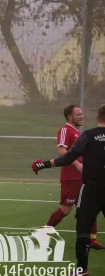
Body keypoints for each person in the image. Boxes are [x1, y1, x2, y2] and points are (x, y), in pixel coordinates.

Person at [31, 103, 105, 276]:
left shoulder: (88, 135)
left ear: (97, 118)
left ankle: (82, 270)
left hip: (92, 190)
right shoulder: (74, 131)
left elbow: (68, 157)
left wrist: (44, 164)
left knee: (82, 229)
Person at [45, 105, 103, 250]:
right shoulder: (65, 129)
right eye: (78, 114)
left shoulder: (79, 132)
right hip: (71, 177)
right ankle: (45, 232)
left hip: (84, 178)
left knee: (91, 206)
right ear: (70, 116)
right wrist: (77, 164)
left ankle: (92, 240)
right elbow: (61, 150)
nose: (81, 116)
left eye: (82, 114)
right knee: (66, 209)